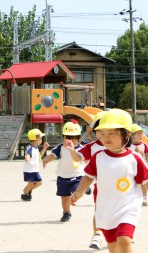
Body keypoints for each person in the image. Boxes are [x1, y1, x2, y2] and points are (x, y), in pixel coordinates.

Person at [71, 108, 148, 253]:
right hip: (106, 209)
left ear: (126, 134)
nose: (106, 137)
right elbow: (88, 176)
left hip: (127, 208)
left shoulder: (134, 159)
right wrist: (79, 192)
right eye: (102, 133)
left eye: (112, 133)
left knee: (124, 240)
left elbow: (145, 180)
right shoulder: (98, 157)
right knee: (112, 245)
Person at [65, 111, 107, 249]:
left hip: (121, 188)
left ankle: (123, 235)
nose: (103, 135)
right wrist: (72, 150)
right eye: (100, 131)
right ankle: (97, 235)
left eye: (108, 131)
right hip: (101, 186)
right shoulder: (93, 146)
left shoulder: (121, 146)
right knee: (99, 211)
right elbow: (78, 158)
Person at [42, 121, 87, 222]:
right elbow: (52, 155)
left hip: (77, 175)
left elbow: (87, 159)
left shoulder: (81, 148)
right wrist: (46, 160)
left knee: (77, 191)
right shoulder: (60, 147)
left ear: (79, 138)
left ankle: (84, 189)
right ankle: (66, 212)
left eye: (73, 138)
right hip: (62, 176)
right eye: (67, 137)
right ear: (63, 137)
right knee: (64, 197)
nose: (70, 140)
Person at [21, 128, 49, 201]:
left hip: (35, 170)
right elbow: (28, 154)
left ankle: (26, 191)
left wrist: (44, 148)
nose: (41, 140)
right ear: (37, 139)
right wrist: (27, 158)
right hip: (29, 170)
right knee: (30, 184)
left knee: (39, 183)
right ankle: (25, 194)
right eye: (41, 138)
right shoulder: (29, 147)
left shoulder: (35, 148)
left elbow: (39, 156)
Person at [129, 123, 148, 206]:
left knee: (144, 182)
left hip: (143, 167)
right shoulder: (129, 146)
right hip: (132, 167)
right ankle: (136, 197)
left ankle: (145, 196)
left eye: (141, 133)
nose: (140, 135)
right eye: (132, 134)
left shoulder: (144, 145)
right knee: (136, 183)